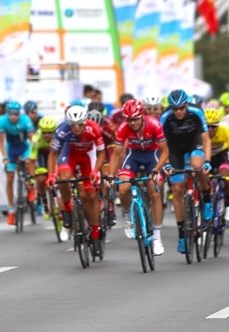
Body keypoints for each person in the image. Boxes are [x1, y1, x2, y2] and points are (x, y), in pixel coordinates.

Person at [109, 98, 168, 256]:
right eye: (129, 120)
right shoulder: (123, 128)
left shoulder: (154, 124)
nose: (133, 123)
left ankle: (157, 237)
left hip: (152, 156)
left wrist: (157, 169)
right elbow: (116, 154)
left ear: (142, 116)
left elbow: (165, 151)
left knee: (155, 192)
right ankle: (128, 218)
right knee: (123, 188)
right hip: (133, 156)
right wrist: (110, 175)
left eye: (135, 119)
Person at [48, 105, 106, 255]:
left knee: (91, 195)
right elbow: (53, 154)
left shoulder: (94, 129)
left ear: (85, 122)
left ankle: (95, 235)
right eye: (73, 125)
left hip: (88, 156)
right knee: (64, 178)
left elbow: (101, 153)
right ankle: (67, 210)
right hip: (70, 154)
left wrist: (95, 171)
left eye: (80, 124)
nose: (77, 128)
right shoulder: (62, 130)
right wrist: (51, 175)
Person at [159, 89, 212, 255]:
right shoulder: (165, 116)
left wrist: (208, 161)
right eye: (175, 109)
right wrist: (167, 164)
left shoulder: (196, 112)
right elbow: (161, 145)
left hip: (193, 143)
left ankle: (206, 197)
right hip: (173, 148)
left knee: (197, 165)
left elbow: (206, 140)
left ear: (187, 105)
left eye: (181, 108)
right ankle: (182, 235)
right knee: (177, 189)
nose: (178, 112)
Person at [0, 100, 36, 225]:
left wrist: (31, 156)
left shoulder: (25, 120)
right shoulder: (2, 120)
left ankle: (31, 188)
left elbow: (33, 140)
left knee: (28, 165)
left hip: (24, 148)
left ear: (20, 113)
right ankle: (11, 211)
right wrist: (4, 156)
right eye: (10, 114)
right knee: (10, 179)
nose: (13, 116)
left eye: (16, 114)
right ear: (6, 113)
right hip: (11, 149)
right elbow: (1, 141)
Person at [205, 107, 229, 221]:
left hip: (221, 154)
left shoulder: (224, 130)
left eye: (213, 126)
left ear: (218, 125)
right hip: (206, 156)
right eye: (207, 126)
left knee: (226, 177)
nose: (210, 129)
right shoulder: (199, 132)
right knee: (202, 178)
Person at [29, 116, 57, 218]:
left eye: (49, 132)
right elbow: (32, 161)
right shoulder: (36, 139)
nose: (46, 135)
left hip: (56, 156)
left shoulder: (58, 137)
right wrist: (32, 177)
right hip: (42, 156)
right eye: (44, 132)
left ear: (54, 131)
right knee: (41, 178)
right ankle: (44, 201)